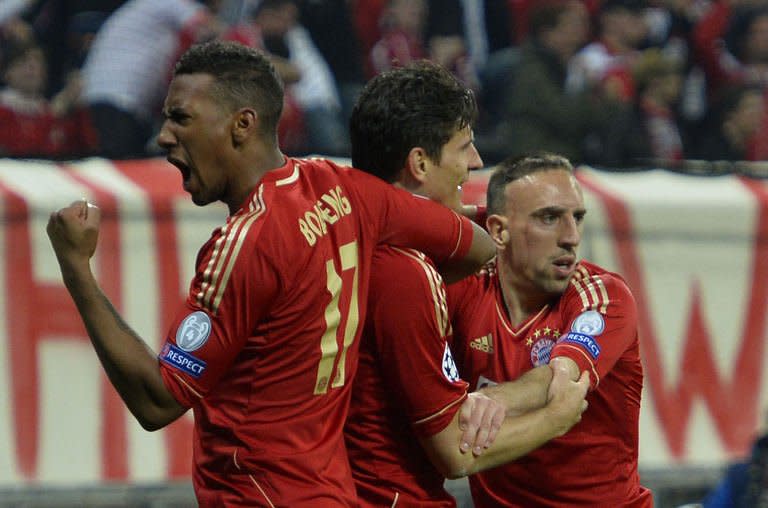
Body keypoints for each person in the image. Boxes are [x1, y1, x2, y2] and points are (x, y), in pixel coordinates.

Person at [45, 41, 495, 506]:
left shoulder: (248, 244)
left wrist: (77, 269)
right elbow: (476, 245)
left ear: (242, 125)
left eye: (181, 118)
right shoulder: (345, 189)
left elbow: (158, 400)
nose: (164, 135)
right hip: (329, 493)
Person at [345, 61, 590, 507]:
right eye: (464, 147)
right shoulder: (406, 270)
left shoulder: (347, 239)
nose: (475, 162)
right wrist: (558, 415)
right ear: (420, 162)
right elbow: (455, 452)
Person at [447, 153, 653, 507]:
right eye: (549, 218)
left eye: (577, 217)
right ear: (498, 230)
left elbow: (561, 380)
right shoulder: (465, 291)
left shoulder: (603, 295)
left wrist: (486, 401)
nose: (571, 237)